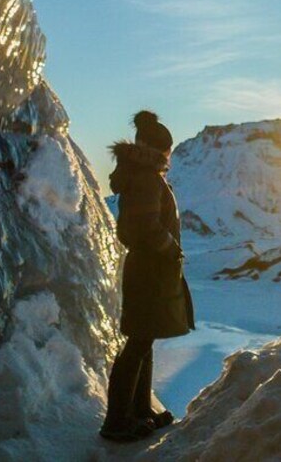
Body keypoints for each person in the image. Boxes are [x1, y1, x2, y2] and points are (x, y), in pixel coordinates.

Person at [100, 110, 195, 442]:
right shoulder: (146, 178)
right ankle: (117, 420)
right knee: (138, 342)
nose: (168, 156)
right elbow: (145, 225)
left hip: (148, 268)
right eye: (166, 150)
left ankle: (139, 411)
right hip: (149, 269)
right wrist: (170, 248)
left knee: (144, 338)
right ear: (159, 150)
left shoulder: (143, 175)